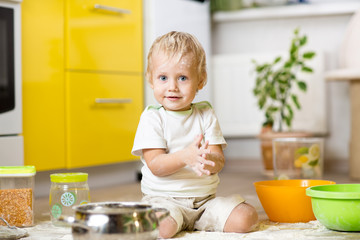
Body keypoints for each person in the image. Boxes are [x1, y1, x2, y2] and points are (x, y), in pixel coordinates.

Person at [132, 31, 258, 239]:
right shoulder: (152, 118)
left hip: (205, 202)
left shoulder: (206, 114)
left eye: (182, 78)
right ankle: (173, 220)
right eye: (163, 77)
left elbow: (218, 160)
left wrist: (208, 159)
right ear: (151, 79)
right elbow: (156, 165)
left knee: (246, 217)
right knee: (160, 227)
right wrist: (185, 156)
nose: (172, 87)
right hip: (164, 200)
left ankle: (193, 222)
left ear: (200, 80)